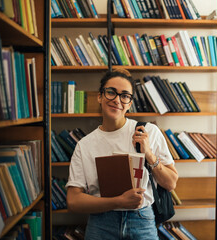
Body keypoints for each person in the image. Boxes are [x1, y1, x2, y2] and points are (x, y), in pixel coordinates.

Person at [65, 69, 179, 240]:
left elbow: (170, 183)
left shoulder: (149, 132)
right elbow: (73, 201)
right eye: (111, 92)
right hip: (101, 222)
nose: (117, 100)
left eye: (125, 95)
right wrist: (118, 201)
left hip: (142, 220)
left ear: (130, 102)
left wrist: (148, 153)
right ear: (100, 96)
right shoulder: (84, 145)